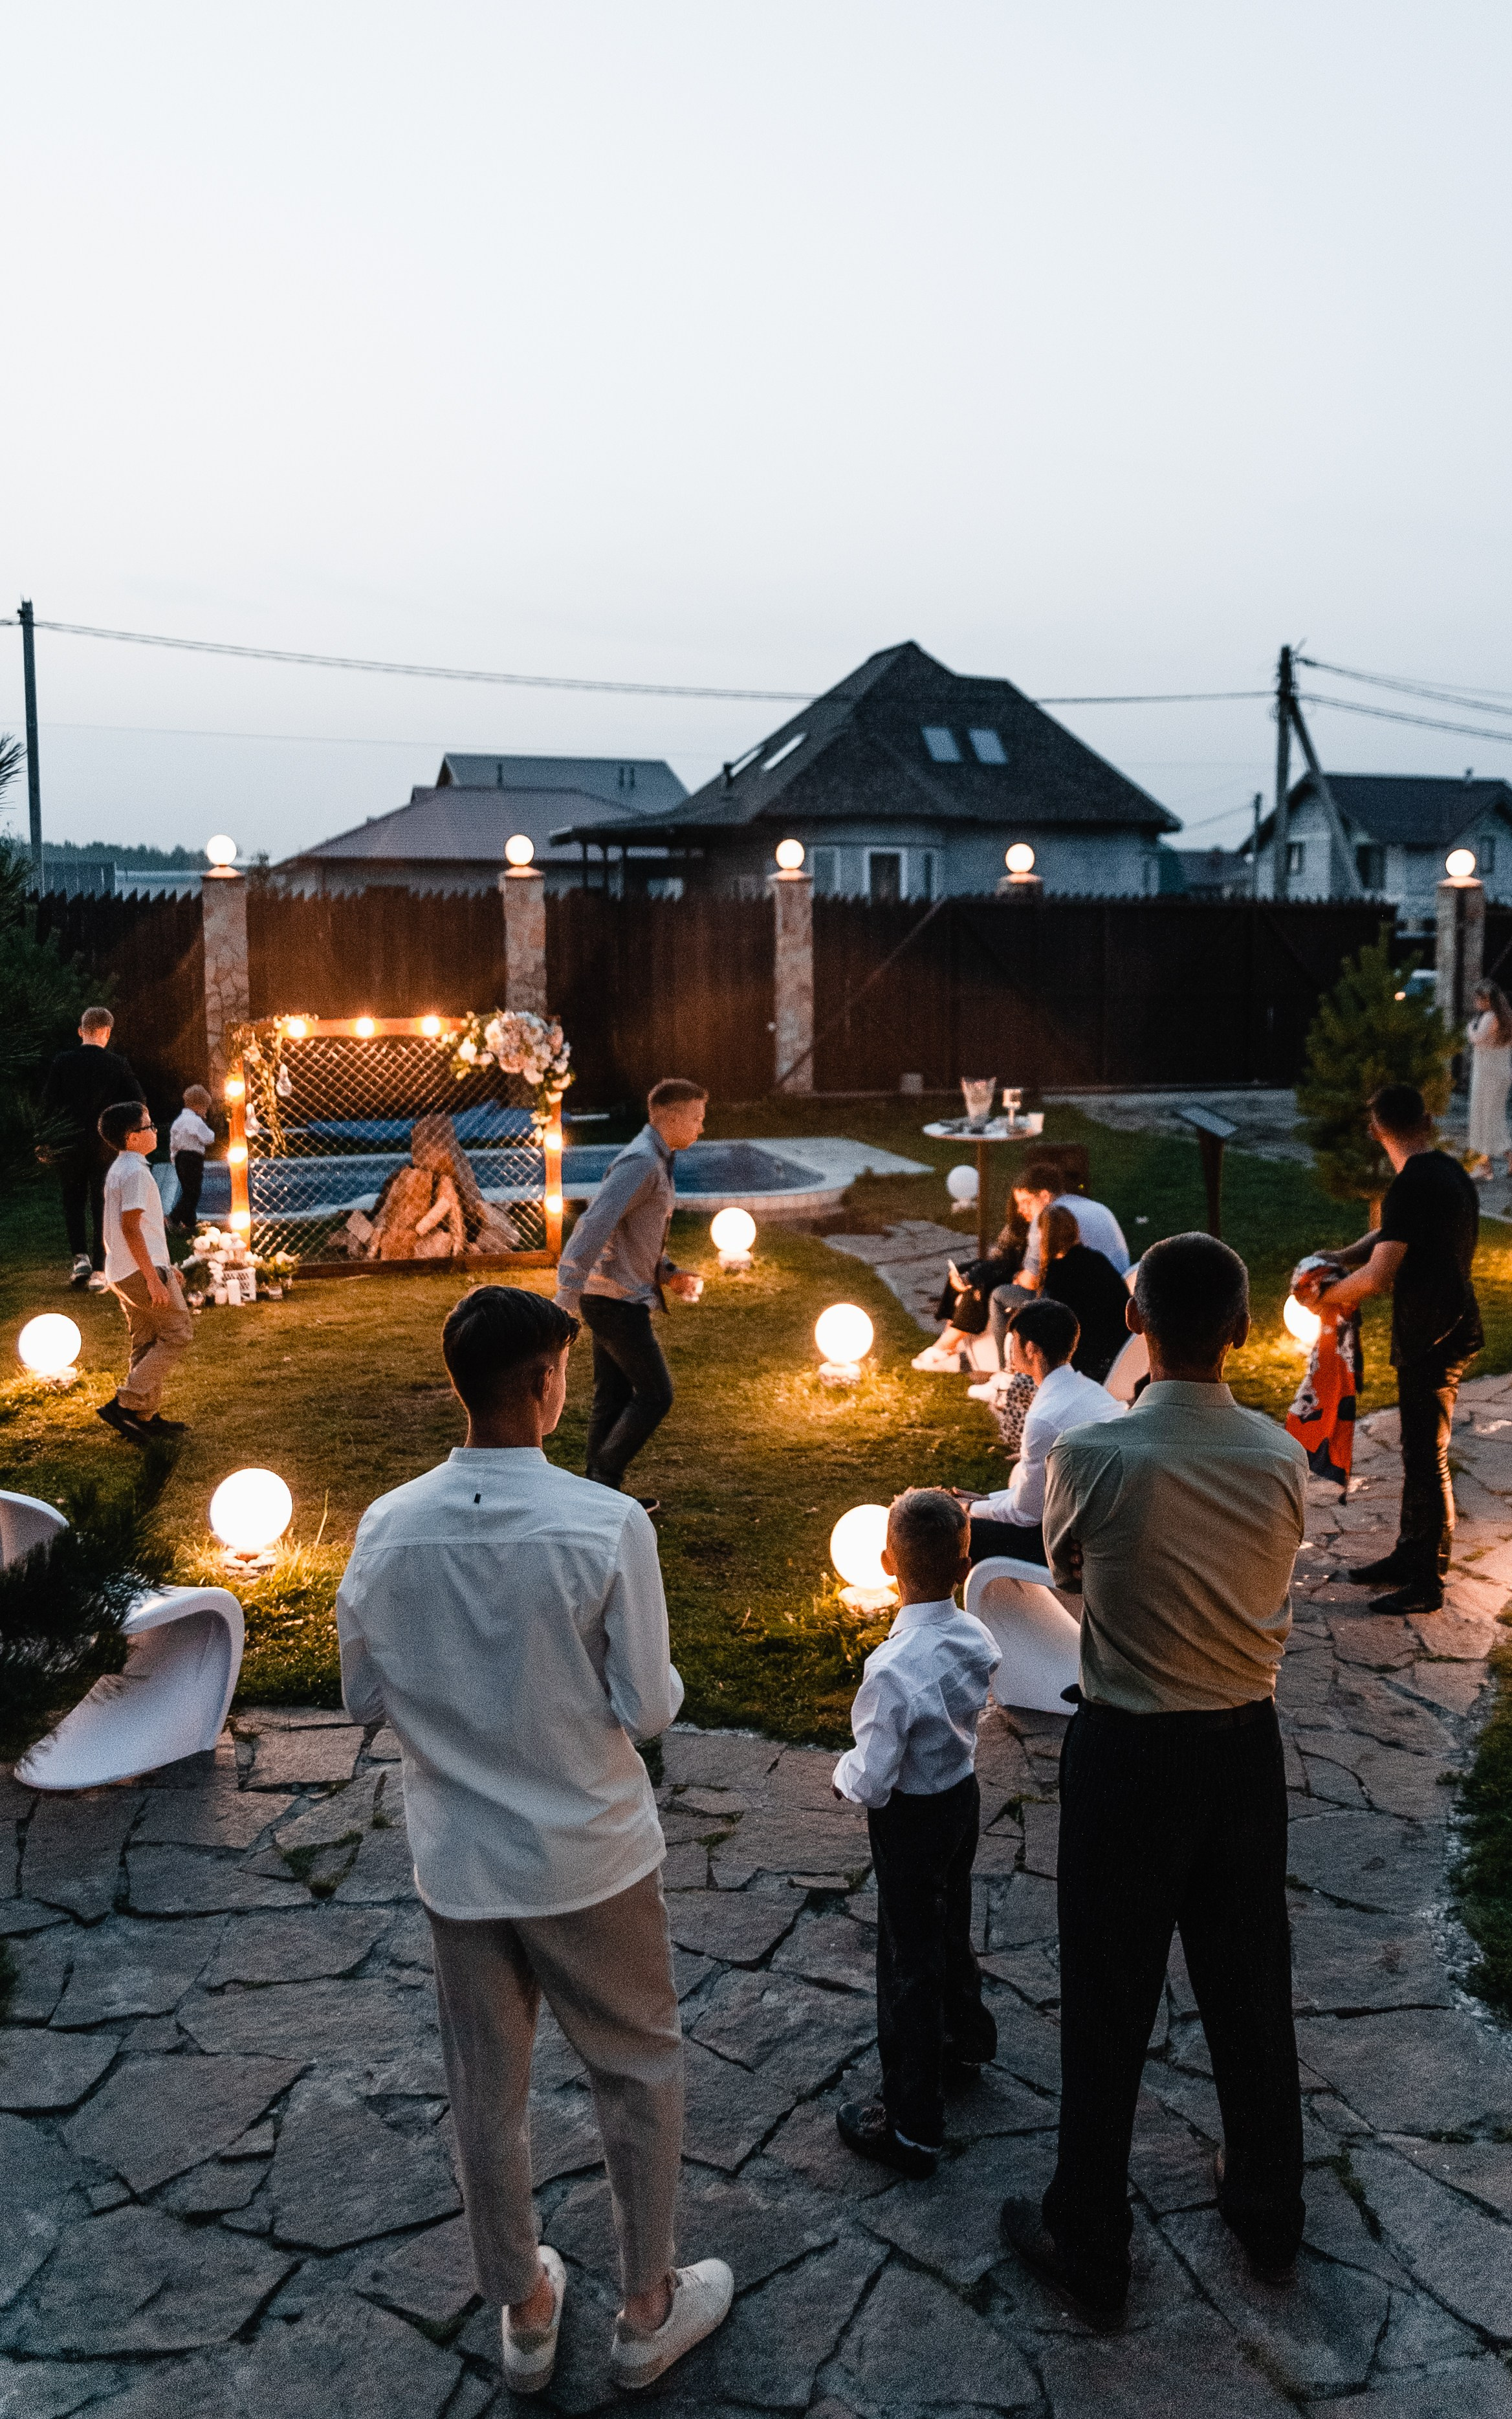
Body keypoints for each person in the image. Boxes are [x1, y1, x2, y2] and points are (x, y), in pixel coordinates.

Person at [336, 1286, 733, 2396]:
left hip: (459, 1863)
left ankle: (523, 2303)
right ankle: (648, 2304)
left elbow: (362, 1691)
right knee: (637, 2068)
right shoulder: (604, 1522)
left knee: (485, 2093)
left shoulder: (384, 1522)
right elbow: (647, 1706)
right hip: (589, 1854)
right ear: (544, 1384)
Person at [998, 1233, 1308, 2329]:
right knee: (1249, 1984)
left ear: (1135, 1321)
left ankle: (1090, 2235)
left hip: (1129, 1750)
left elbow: (1071, 1572)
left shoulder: (1096, 1457)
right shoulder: (1280, 1455)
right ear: (1239, 1328)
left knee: (1107, 1995)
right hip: (1241, 1749)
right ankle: (1269, 2207)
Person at [832, 1489, 1000, 2178]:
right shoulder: (977, 1636)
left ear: (885, 1563)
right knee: (949, 1922)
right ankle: (966, 2040)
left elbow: (872, 1778)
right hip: (961, 1798)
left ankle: (912, 2124)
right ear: (967, 1563)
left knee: (910, 1957)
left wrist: (841, 1777)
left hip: (910, 1820)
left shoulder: (891, 1668)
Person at [1301, 1082, 1482, 1615]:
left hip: (1432, 1333)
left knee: (1427, 1457)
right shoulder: (1445, 1171)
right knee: (1418, 1451)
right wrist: (1338, 1253)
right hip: (1450, 1323)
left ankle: (1426, 1579)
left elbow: (1380, 1274)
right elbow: (1389, 1236)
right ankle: (1409, 1553)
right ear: (1423, 1120)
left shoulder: (1409, 1184)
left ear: (1376, 1128)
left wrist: (1327, 1298)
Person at [553, 1078, 708, 1501]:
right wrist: (564, 1296)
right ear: (671, 1118)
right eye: (696, 1117)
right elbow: (595, 1223)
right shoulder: (641, 1162)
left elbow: (631, 1237)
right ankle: (603, 1476)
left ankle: (597, 1496)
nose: (701, 1127)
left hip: (614, 1296)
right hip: (614, 1301)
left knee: (614, 1395)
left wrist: (669, 1273)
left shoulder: (657, 1159)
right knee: (656, 1394)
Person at [954, 1300, 1123, 1567]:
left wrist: (968, 1510)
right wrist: (988, 1500)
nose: (1010, 1348)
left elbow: (1026, 1513)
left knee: (966, 1535)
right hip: (1102, 1521)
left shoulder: (1045, 1417)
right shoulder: (1087, 1389)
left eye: (1014, 1340)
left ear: (1031, 1348)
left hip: (1080, 1549)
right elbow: (1034, 1492)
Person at [96, 1099, 195, 1445]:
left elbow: (142, 1230)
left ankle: (143, 1417)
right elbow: (131, 1228)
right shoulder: (136, 1173)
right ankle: (125, 1404)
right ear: (131, 1136)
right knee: (177, 1333)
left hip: (122, 1270)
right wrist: (154, 1278)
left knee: (147, 1339)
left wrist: (167, 1267)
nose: (155, 1131)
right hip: (139, 1271)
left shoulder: (121, 1169)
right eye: (148, 1126)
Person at [38, 1006, 145, 1289]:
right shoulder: (117, 1064)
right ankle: (100, 1268)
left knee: (72, 1199)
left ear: (80, 1031)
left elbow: (48, 1104)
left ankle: (80, 1259)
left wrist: (45, 1139)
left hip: (69, 1143)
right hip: (104, 1145)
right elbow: (138, 1103)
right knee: (103, 1203)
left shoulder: (63, 1062)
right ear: (107, 1032)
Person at [987, 1163, 1129, 1363]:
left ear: (1045, 1196)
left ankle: (1004, 1367)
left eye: (1026, 1202)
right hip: (1116, 1292)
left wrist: (1017, 1278)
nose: (1021, 1210)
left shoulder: (1047, 1221)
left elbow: (1032, 1281)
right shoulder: (1097, 1209)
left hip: (1076, 1306)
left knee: (999, 1295)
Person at [1034, 1207, 1132, 1383]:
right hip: (1122, 1359)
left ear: (1043, 1235)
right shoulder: (1098, 1260)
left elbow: (1049, 1334)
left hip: (1086, 1369)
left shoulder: (1056, 1275)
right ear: (1075, 1230)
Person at [1466, 981, 1512, 1179]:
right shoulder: (1505, 1018)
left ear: (1487, 1000)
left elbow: (1477, 1038)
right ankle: (1492, 1162)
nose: (1475, 1002)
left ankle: (1483, 1165)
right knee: (1493, 1119)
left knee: (1483, 1119)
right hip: (1499, 1075)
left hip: (1487, 1077)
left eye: (1478, 998)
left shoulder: (1490, 1017)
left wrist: (1469, 1028)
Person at [168, 1084, 215, 1234]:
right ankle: (173, 1218)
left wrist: (173, 1157)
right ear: (198, 1105)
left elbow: (173, 1143)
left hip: (180, 1158)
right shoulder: (195, 1121)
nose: (205, 1111)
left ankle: (189, 1224)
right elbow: (209, 1138)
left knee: (187, 1190)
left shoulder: (179, 1121)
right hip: (193, 1158)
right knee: (193, 1192)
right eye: (205, 1108)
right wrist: (204, 1123)